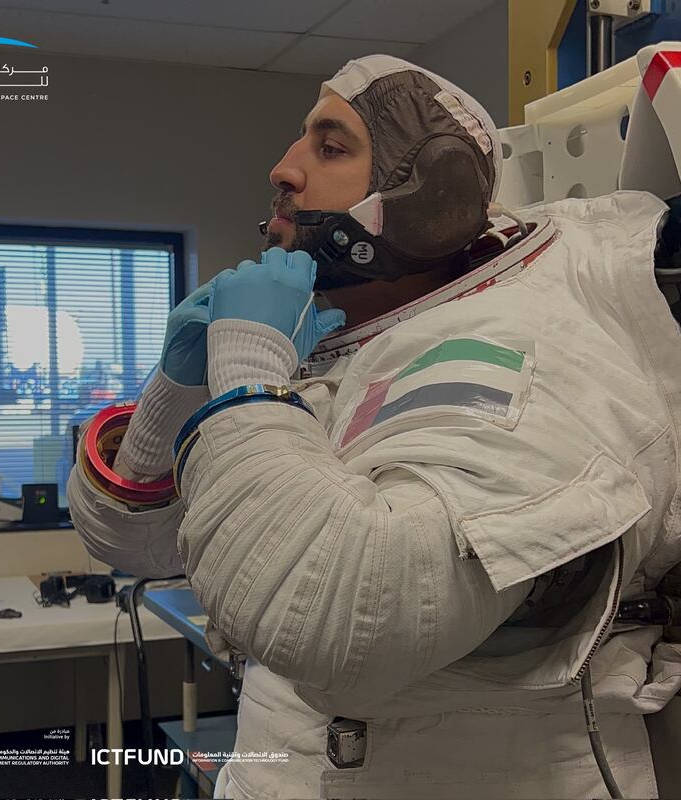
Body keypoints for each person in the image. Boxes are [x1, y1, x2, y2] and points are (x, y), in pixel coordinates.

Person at [68, 55, 681, 798]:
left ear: (431, 191)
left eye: (329, 147)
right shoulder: (334, 341)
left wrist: (250, 380)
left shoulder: (515, 344)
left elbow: (337, 614)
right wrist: (180, 384)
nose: (283, 169)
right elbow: (140, 544)